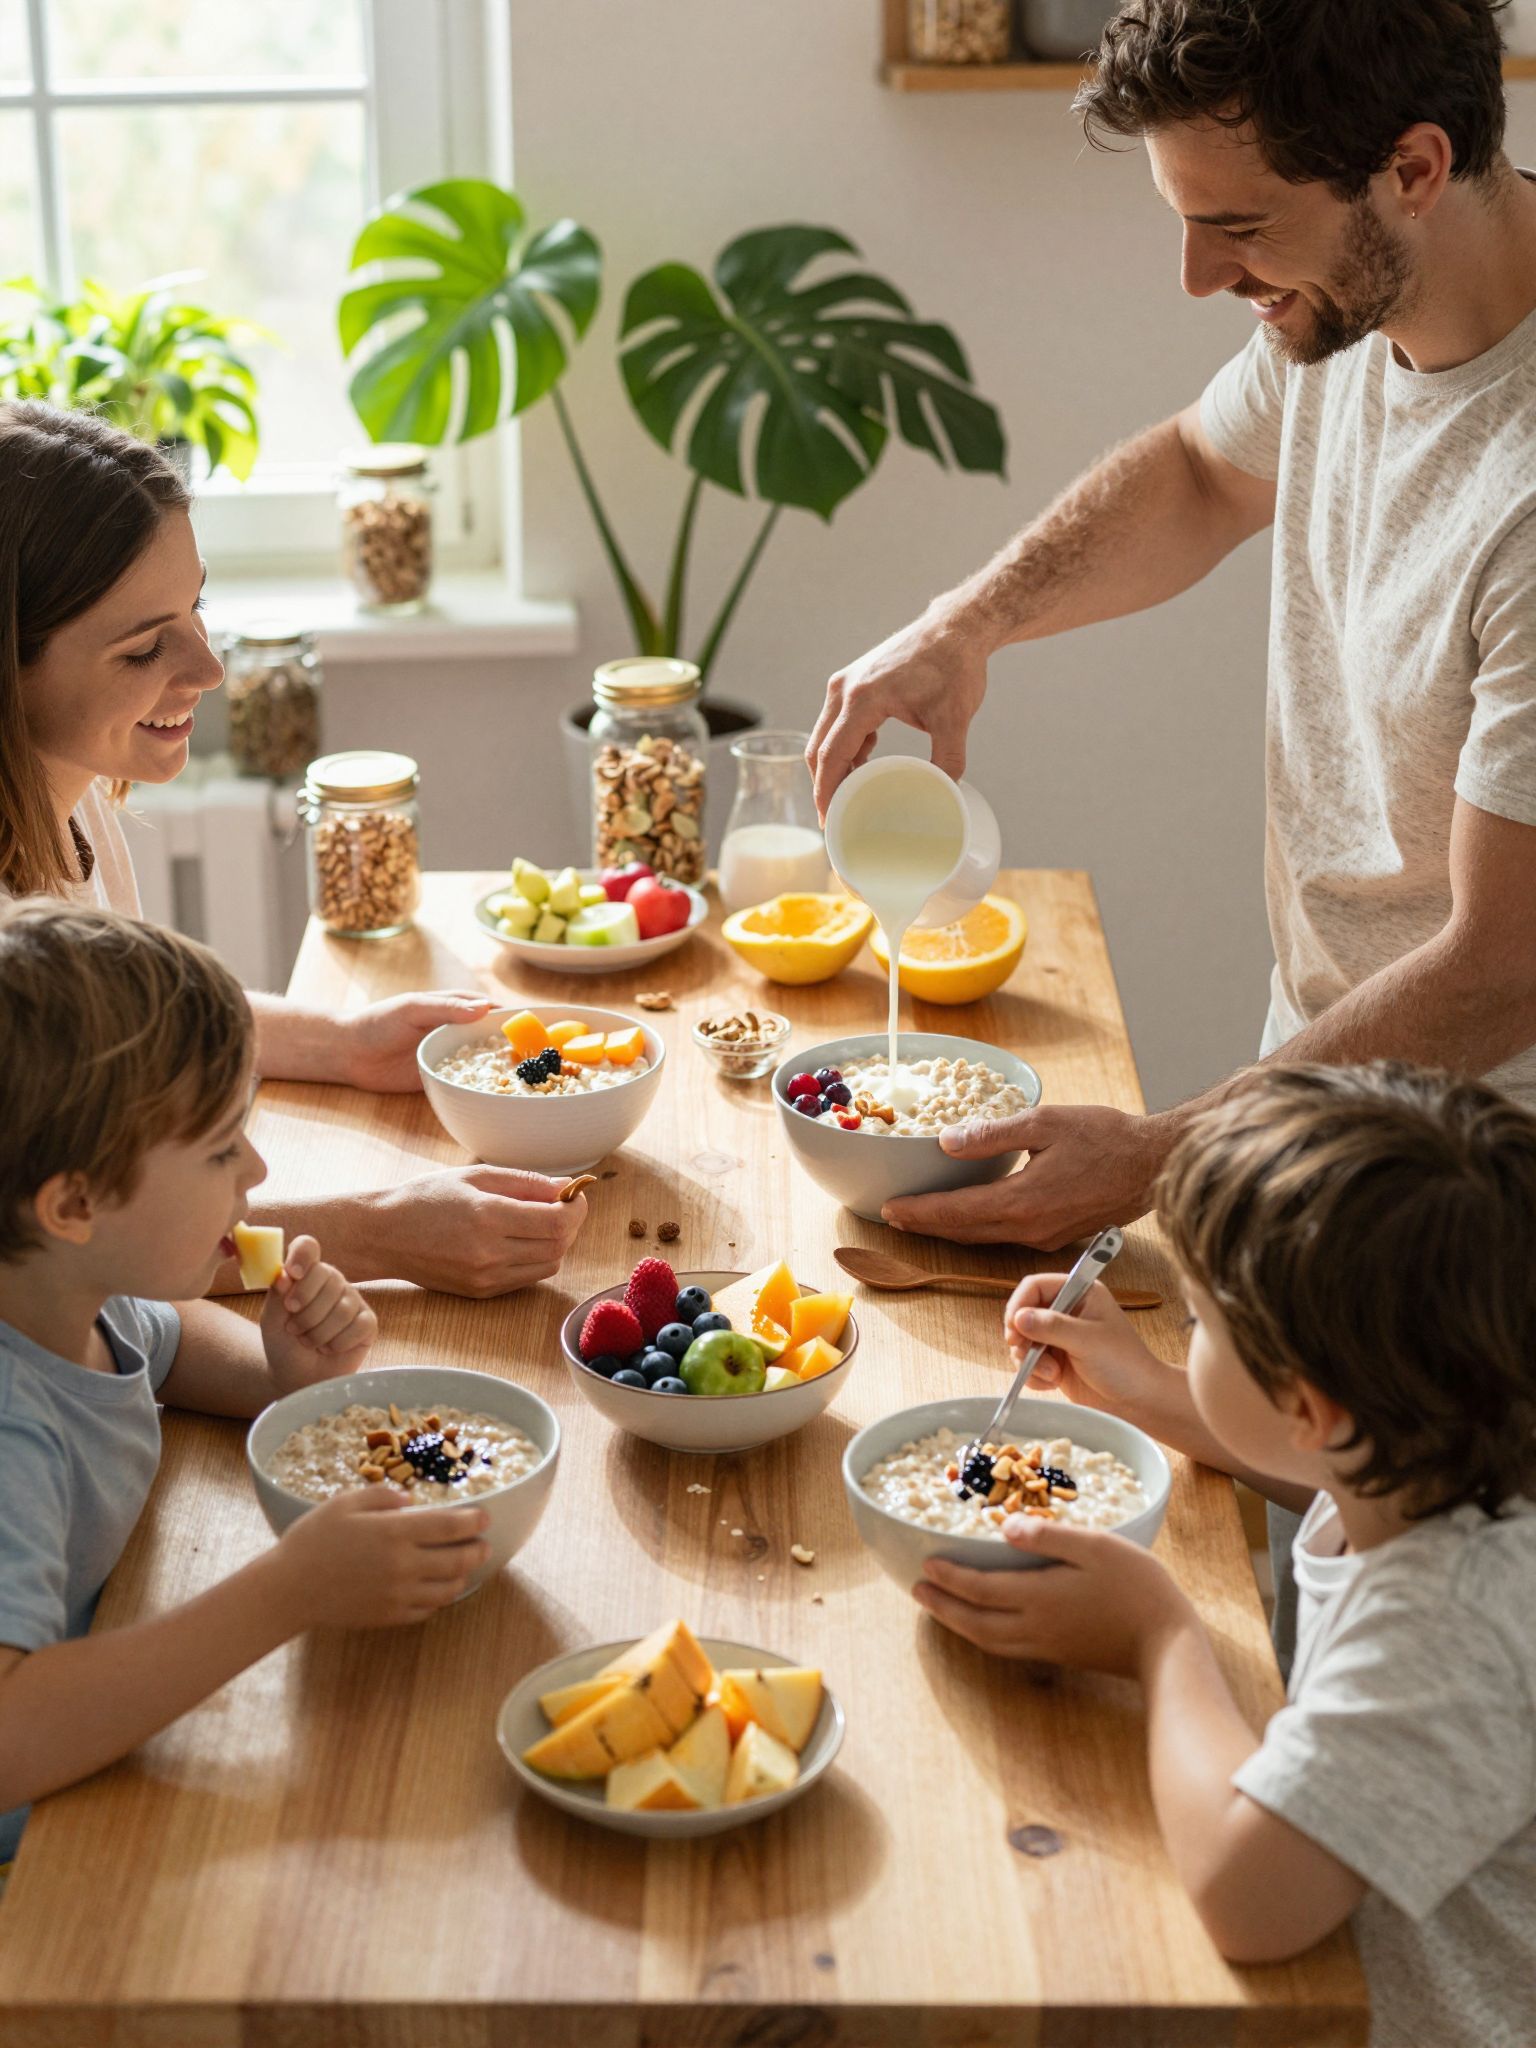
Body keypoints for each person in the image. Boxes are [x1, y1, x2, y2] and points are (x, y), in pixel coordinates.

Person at [806, 0, 1536, 1257]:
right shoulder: (1348, 318)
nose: (1199, 277)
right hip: (1319, 1089)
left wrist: (1167, 1149)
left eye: (1238, 226)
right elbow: (1203, 469)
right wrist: (962, 625)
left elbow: (1501, 963)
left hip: (1478, 1182)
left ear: (1414, 168)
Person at [916, 1062, 1536, 2047]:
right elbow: (1328, 1474)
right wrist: (1147, 1389)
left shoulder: (1447, 1626)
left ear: (1309, 1404)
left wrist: (1162, 1634)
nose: (1187, 1328)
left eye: (1200, 1320)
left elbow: (1247, 1901)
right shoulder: (1446, 1476)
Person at [1, 399, 586, 1297]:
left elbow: (121, 1039)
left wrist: (344, 1042)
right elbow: (104, 1255)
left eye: (196, 607)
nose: (209, 668)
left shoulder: (74, 796)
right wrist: (377, 1236)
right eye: (144, 648)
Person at [0, 898, 492, 1869]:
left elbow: (168, 1342)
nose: (257, 1168)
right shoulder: (11, 1431)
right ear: (75, 1202)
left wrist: (280, 1376)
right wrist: (290, 1587)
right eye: (224, 1147)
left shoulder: (68, 1293)